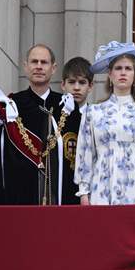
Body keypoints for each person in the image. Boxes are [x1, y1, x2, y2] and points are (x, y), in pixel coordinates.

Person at [0, 43, 79, 205]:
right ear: (26, 67)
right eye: (34, 62)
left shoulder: (67, 108)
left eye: (44, 62)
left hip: (61, 203)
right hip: (20, 200)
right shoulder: (11, 107)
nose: (39, 66)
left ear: (53, 68)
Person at [74, 41, 135, 205]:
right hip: (100, 187)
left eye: (128, 68)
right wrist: (84, 191)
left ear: (134, 74)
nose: (123, 73)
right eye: (118, 68)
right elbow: (85, 153)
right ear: (110, 74)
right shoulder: (93, 112)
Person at [60, 56, 94, 195]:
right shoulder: (55, 117)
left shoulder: (96, 117)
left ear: (90, 86)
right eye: (71, 82)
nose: (76, 88)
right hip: (61, 189)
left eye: (82, 82)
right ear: (63, 85)